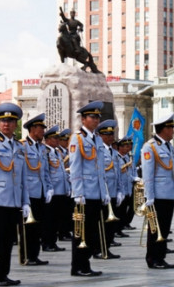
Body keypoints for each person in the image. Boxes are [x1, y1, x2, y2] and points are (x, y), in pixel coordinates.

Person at [0, 103, 30, 286]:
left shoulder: (19, 146)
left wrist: (25, 202)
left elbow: (23, 177)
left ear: (16, 124)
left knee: (9, 240)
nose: (6, 125)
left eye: (10, 121)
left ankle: (3, 274)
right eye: (3, 121)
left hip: (14, 201)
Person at [69, 101, 109, 276]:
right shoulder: (77, 139)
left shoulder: (97, 139)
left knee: (91, 232)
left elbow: (100, 168)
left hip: (96, 193)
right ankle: (78, 266)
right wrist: (78, 193)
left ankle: (86, 264)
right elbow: (75, 167)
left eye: (97, 117)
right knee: (81, 232)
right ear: (83, 119)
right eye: (92, 117)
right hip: (84, 193)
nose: (96, 120)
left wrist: (104, 191)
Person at [141, 113, 174, 269]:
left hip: (168, 194)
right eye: (171, 128)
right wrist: (149, 196)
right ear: (163, 129)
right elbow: (148, 174)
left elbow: (173, 173)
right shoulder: (150, 147)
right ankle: (153, 258)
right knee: (155, 228)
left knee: (164, 228)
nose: (173, 131)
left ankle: (160, 256)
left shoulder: (167, 146)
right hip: (157, 195)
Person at [20, 113, 52, 266]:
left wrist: (49, 188)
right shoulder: (23, 147)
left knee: (38, 226)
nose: (43, 132)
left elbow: (45, 171)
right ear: (33, 129)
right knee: (28, 228)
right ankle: (26, 256)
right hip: (29, 192)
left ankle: (34, 255)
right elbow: (21, 172)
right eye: (41, 129)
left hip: (40, 191)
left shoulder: (42, 148)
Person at [94, 119, 122, 259]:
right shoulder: (98, 150)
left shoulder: (114, 152)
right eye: (108, 135)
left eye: (112, 135)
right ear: (101, 136)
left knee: (111, 224)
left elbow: (117, 174)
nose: (111, 137)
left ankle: (107, 247)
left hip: (113, 192)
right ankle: (99, 249)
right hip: (103, 192)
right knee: (102, 223)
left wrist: (120, 190)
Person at [42, 125, 69, 252]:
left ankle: (53, 242)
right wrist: (48, 188)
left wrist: (67, 187)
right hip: (52, 190)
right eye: (55, 138)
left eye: (58, 138)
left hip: (60, 190)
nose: (57, 140)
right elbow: (45, 171)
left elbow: (62, 171)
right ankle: (47, 243)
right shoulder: (45, 152)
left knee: (57, 218)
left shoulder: (56, 152)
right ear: (47, 139)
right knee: (49, 219)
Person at [57, 128, 73, 241]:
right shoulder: (58, 152)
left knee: (68, 211)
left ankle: (66, 231)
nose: (67, 142)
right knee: (61, 212)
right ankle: (62, 233)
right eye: (65, 140)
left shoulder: (67, 152)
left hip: (68, 184)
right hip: (61, 184)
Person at [115, 135, 133, 237]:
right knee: (119, 211)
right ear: (120, 147)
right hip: (120, 187)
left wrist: (133, 178)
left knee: (123, 210)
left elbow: (128, 172)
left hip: (127, 188)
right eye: (125, 146)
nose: (127, 148)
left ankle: (120, 229)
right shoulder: (116, 158)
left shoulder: (126, 158)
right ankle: (116, 230)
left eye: (128, 146)